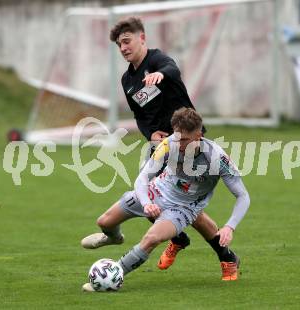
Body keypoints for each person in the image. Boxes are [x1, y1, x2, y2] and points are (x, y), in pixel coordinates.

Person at [81, 16, 240, 278]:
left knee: (189, 209)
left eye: (127, 41)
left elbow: (172, 69)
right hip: (161, 146)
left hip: (188, 143)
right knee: (151, 195)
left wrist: (160, 75)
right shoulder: (127, 80)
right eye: (119, 44)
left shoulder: (157, 61)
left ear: (142, 38)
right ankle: (177, 237)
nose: (123, 48)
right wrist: (150, 136)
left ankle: (223, 254)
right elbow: (140, 116)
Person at [82, 108, 250, 291]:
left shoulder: (217, 157)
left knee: (151, 238)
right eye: (177, 137)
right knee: (105, 222)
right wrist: (147, 203)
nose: (180, 143)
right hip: (158, 190)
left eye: (185, 140)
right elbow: (142, 179)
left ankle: (113, 275)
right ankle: (114, 238)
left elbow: (243, 196)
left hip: (183, 207)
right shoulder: (169, 144)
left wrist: (229, 226)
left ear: (199, 135)